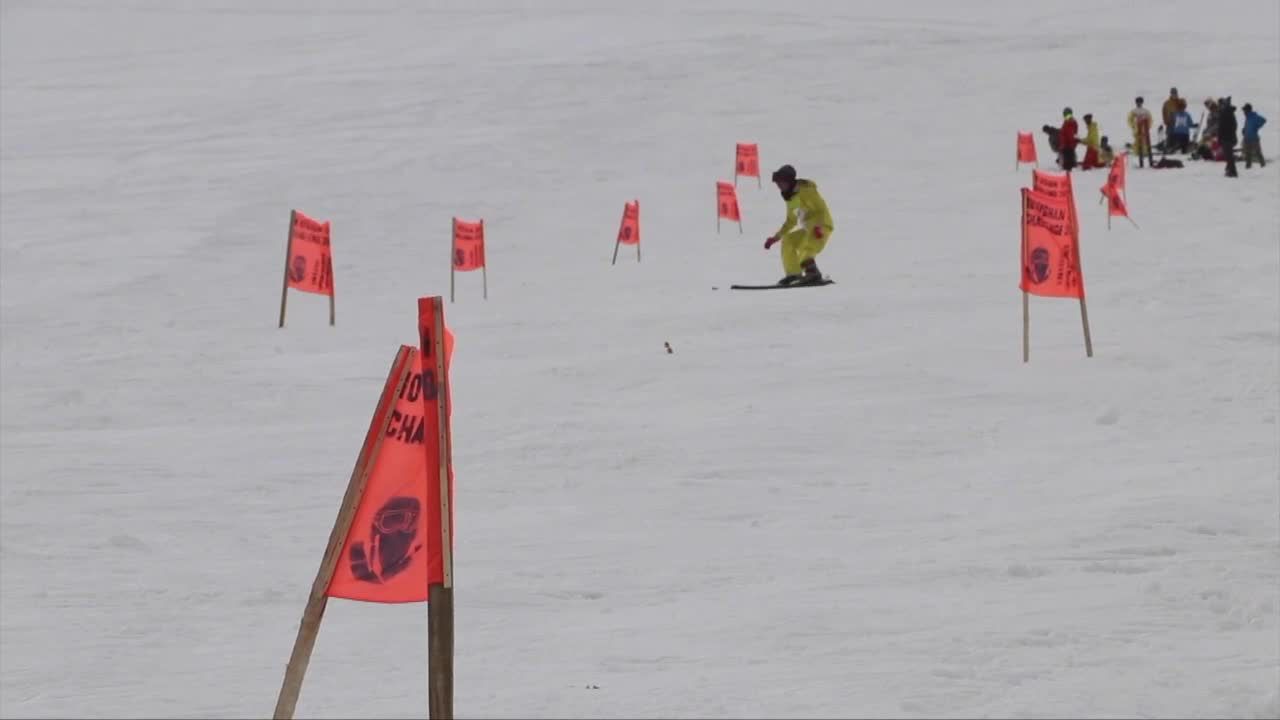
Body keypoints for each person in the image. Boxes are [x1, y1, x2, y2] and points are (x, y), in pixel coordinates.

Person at [764, 164, 834, 285]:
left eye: (781, 182)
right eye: (777, 183)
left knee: (806, 249)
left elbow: (820, 210)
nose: (778, 186)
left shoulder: (807, 191)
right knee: (788, 240)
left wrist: (819, 226)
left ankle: (813, 274)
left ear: (789, 181)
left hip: (821, 226)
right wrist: (776, 237)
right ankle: (793, 275)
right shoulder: (791, 198)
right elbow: (791, 221)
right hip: (809, 229)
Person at [1128, 96, 1154, 167]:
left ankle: (1145, 152)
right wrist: (1133, 127)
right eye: (1138, 102)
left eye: (1140, 102)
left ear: (1142, 102)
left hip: (1144, 129)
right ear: (1136, 103)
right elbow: (1130, 120)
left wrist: (1148, 127)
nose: (1139, 103)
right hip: (1137, 129)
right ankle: (1138, 153)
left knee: (1145, 141)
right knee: (1137, 141)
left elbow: (1150, 120)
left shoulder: (1146, 111)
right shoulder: (1133, 111)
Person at [1242, 103, 1267, 168]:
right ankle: (1248, 166)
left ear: (1248, 110)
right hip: (1247, 138)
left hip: (1254, 138)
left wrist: (1257, 126)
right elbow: (1248, 125)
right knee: (1248, 153)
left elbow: (1264, 120)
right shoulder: (1247, 117)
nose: (1243, 111)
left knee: (1258, 152)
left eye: (1244, 110)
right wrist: (1244, 129)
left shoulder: (1254, 116)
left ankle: (1263, 165)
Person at [1218, 97, 1239, 177]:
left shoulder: (1225, 113)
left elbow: (1221, 127)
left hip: (1226, 138)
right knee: (1228, 155)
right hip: (1230, 137)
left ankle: (1233, 172)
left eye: (1221, 105)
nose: (1220, 106)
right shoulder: (1230, 113)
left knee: (1229, 155)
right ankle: (1229, 169)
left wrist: (1221, 137)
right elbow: (1234, 126)